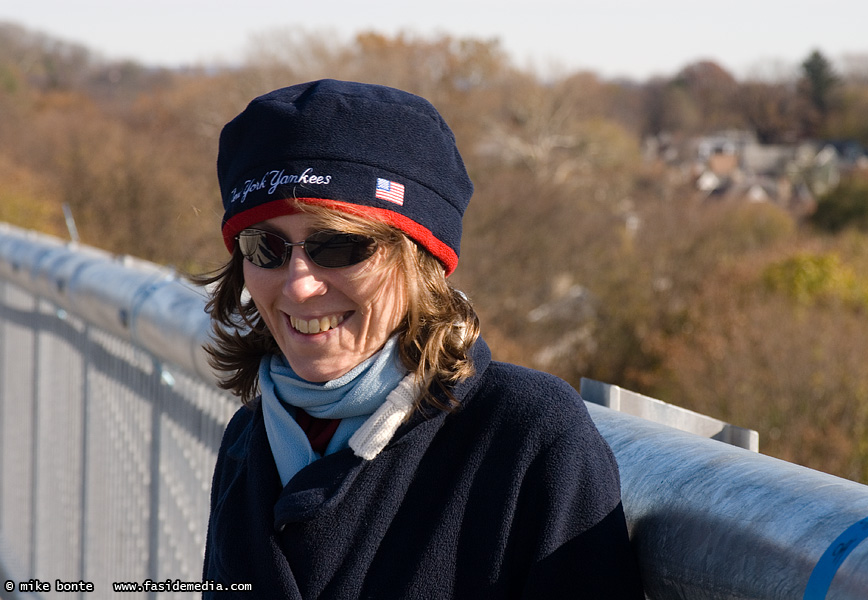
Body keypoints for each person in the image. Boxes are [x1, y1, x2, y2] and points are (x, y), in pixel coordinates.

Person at [199, 79, 644, 599]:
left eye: (340, 246)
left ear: (420, 262)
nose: (298, 282)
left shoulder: (527, 438)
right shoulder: (248, 441)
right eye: (265, 246)